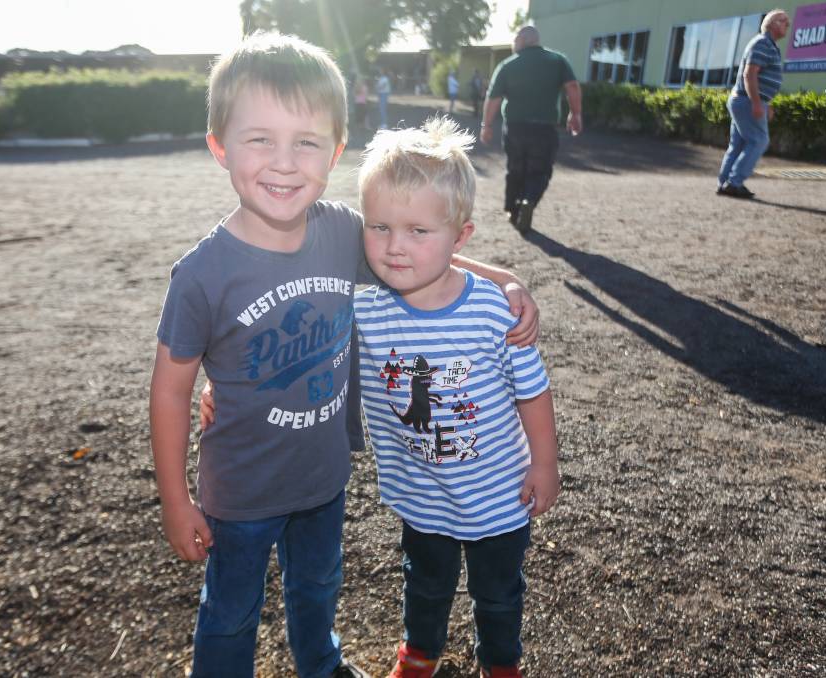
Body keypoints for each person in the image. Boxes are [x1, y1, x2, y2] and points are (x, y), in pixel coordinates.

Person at [151, 32, 539, 678]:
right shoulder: (201, 275)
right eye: (259, 139)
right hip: (240, 492)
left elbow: (416, 252)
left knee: (316, 590)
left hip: (322, 480)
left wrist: (502, 279)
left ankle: (321, 665)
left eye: (306, 142)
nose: (283, 162)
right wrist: (174, 498)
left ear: (334, 152)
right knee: (231, 611)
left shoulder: (336, 231)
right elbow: (169, 391)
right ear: (218, 144)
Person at [354, 118, 559, 678]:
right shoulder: (363, 307)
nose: (396, 248)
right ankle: (419, 655)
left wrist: (545, 463)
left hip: (498, 494)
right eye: (380, 227)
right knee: (423, 583)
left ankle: (501, 664)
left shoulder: (493, 311)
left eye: (419, 232)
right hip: (420, 493)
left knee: (498, 593)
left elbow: (533, 392)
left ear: (459, 237)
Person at [481, 25, 581, 235]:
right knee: (540, 170)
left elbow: (494, 99)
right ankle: (529, 200)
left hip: (515, 127)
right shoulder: (557, 60)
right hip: (545, 128)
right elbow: (572, 86)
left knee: (515, 168)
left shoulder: (508, 65)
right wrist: (576, 114)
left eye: (514, 40)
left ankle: (512, 208)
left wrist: (487, 125)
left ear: (521, 40)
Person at [717, 9, 789, 199]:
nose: (787, 25)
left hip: (744, 100)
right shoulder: (763, 43)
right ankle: (734, 182)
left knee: (738, 144)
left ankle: (725, 182)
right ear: (772, 24)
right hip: (747, 101)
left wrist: (767, 103)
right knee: (759, 140)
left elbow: (762, 78)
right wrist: (757, 103)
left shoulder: (768, 45)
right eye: (784, 21)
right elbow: (750, 74)